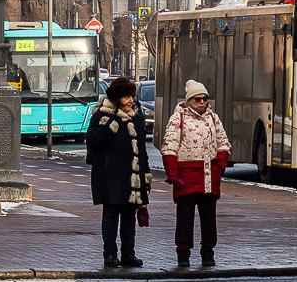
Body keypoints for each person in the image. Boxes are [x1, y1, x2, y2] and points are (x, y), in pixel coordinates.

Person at [160, 80, 230, 268]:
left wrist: (220, 165)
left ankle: (208, 253)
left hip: (209, 177)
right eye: (197, 99)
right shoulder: (178, 119)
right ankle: (183, 254)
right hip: (186, 179)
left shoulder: (213, 118)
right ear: (189, 100)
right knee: (184, 219)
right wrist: (173, 174)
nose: (201, 102)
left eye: (204, 99)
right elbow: (169, 148)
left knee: (209, 220)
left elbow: (223, 142)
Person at [86, 77, 151, 268]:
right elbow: (92, 140)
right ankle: (110, 255)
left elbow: (141, 149)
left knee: (129, 217)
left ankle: (128, 254)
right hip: (110, 177)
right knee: (111, 215)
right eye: (126, 96)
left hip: (131, 176)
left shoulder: (135, 116)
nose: (131, 100)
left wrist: (145, 175)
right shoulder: (102, 115)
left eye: (132, 96)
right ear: (116, 98)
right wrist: (110, 127)